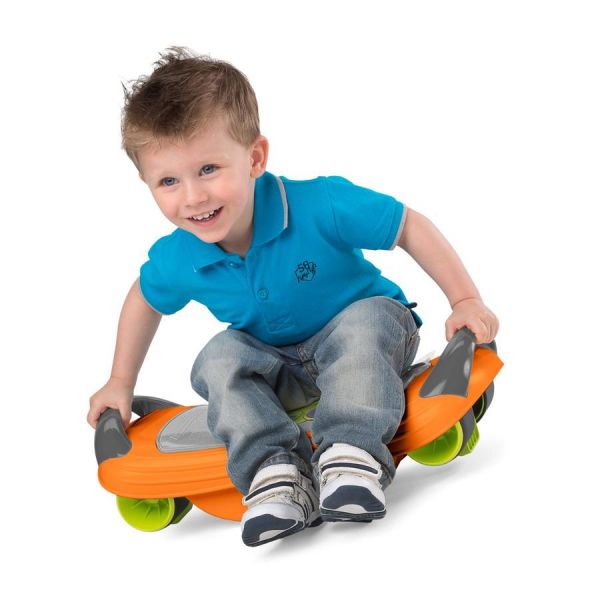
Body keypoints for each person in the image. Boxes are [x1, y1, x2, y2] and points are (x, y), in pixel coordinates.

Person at [87, 46, 499, 547]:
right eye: (168, 181)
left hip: (365, 334)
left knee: (363, 323)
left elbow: (407, 225)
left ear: (255, 158)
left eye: (209, 169)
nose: (193, 197)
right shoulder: (179, 255)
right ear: (146, 183)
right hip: (278, 365)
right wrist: (120, 381)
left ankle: (350, 453)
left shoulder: (319, 203)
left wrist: (464, 299)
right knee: (219, 355)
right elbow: (144, 299)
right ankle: (274, 473)